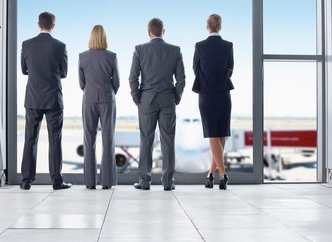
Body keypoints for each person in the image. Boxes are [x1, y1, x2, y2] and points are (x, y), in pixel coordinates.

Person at [129, 18, 186, 191]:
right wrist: (175, 97)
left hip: (147, 100)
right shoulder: (175, 50)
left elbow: (133, 78)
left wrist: (137, 98)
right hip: (167, 99)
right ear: (163, 31)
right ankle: (168, 183)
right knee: (168, 141)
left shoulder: (140, 49)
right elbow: (181, 79)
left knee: (146, 140)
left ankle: (144, 182)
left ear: (149, 32)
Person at [20, 12, 72, 191]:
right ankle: (57, 181)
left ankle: (26, 180)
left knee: (30, 139)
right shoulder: (60, 46)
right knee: (55, 139)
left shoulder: (27, 45)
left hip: (33, 98)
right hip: (53, 99)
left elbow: (24, 69)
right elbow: (64, 72)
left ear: (38, 24)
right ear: (53, 25)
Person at [192, 14, 234, 190]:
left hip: (207, 95)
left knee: (213, 135)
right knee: (220, 134)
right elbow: (230, 70)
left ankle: (222, 176)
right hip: (223, 94)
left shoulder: (200, 46)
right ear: (220, 27)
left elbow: (196, 69)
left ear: (207, 26)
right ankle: (211, 175)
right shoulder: (228, 46)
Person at [78, 25, 120, 190]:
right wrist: (108, 93)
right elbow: (116, 82)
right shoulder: (112, 57)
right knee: (108, 141)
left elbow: (81, 83)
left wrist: (90, 92)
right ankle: (107, 182)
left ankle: (89, 182)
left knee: (89, 140)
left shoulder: (82, 56)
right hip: (107, 100)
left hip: (88, 100)